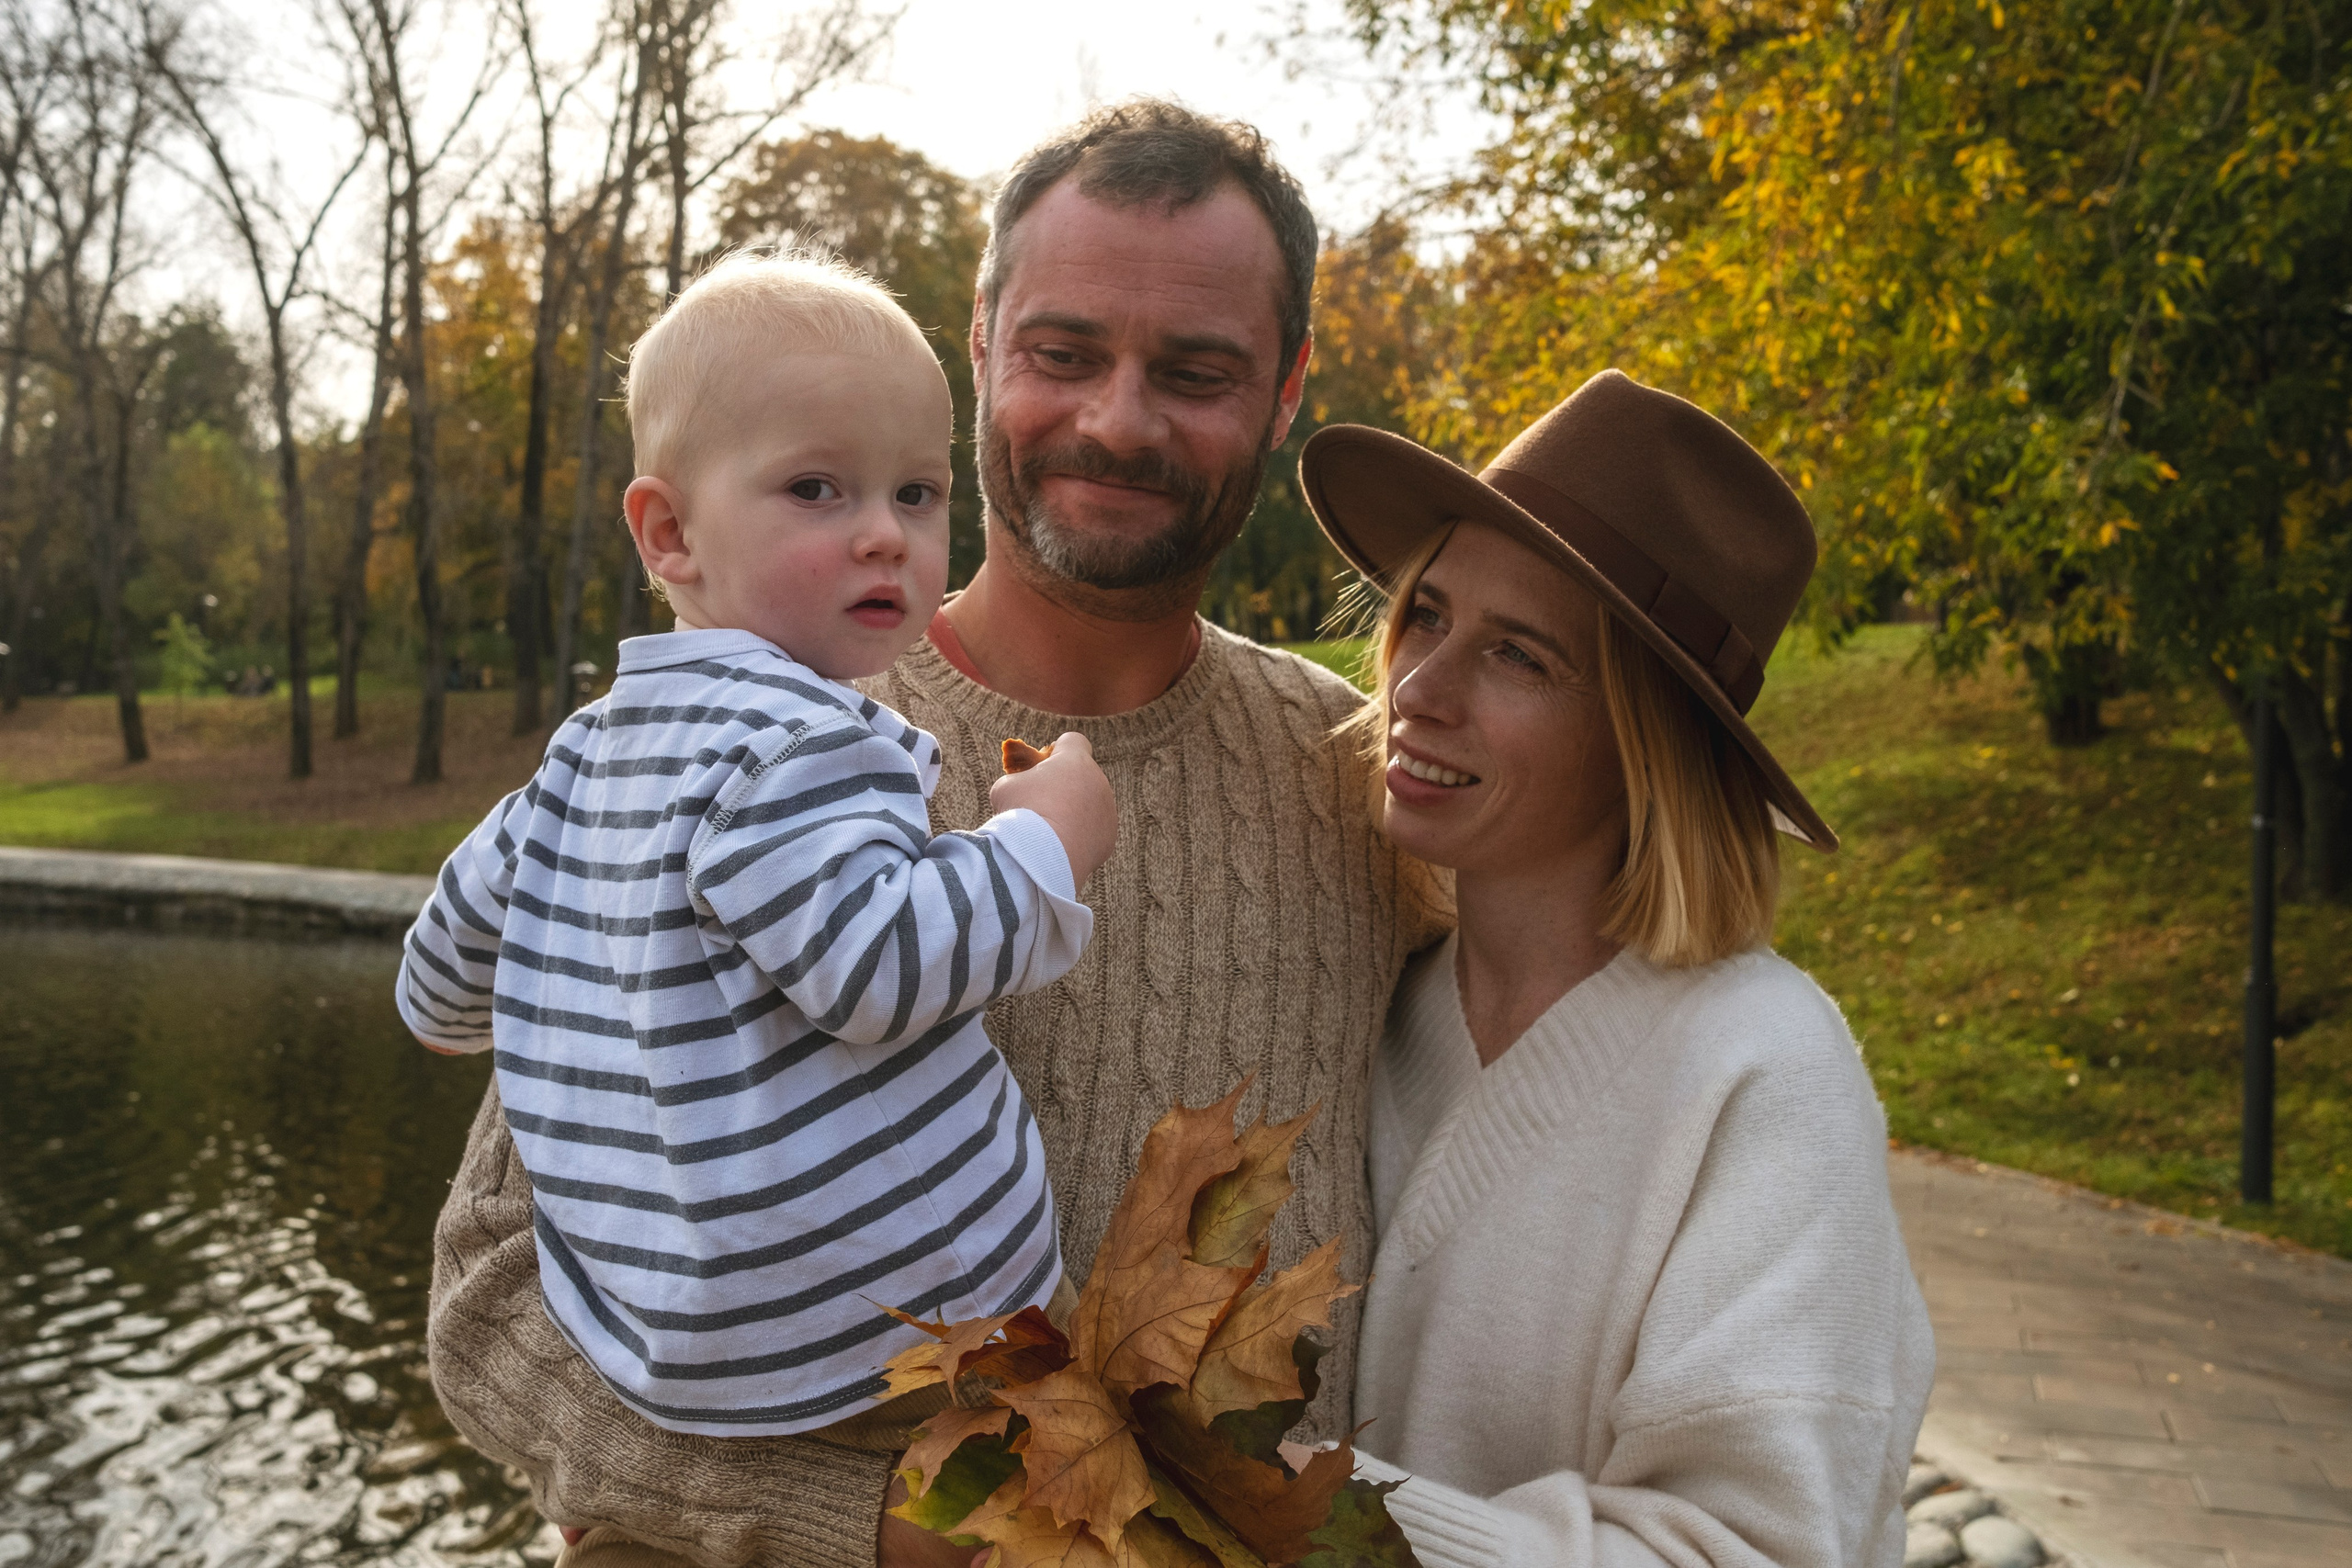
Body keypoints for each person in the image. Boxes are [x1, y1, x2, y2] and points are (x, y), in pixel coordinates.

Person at [424, 101, 1450, 1567]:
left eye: (1198, 371)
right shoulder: (732, 742)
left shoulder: (1361, 784)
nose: (1116, 419)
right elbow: (492, 1312)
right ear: (979, 343)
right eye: (1064, 352)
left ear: (1286, 391)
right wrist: (897, 1533)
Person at [397, 254, 1114, 1446]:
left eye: (919, 494)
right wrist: (1042, 840)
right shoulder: (795, 740)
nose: (885, 536)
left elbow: (436, 986)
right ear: (670, 532)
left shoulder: (580, 759)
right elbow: (880, 967)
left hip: (668, 1346)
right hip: (903, 1339)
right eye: (818, 490)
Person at [1301, 369, 1934, 1565]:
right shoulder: (1370, 1002)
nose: (1418, 690)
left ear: (1642, 742)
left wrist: (1307, 1515)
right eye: (1426, 615)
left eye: (1520, 657)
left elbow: (1756, 1549)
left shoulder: (1762, 1072)